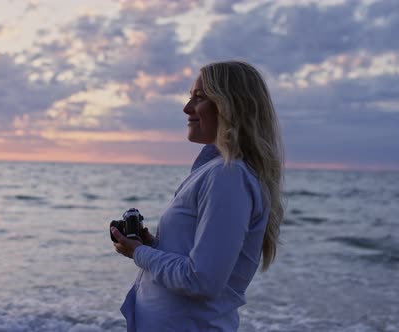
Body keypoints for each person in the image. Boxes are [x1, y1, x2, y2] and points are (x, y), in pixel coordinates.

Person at [111, 60, 285, 331]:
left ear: (230, 105)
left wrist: (140, 253)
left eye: (200, 97)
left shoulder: (228, 176)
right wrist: (154, 246)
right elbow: (195, 262)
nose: (187, 108)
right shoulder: (216, 171)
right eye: (190, 96)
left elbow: (202, 279)